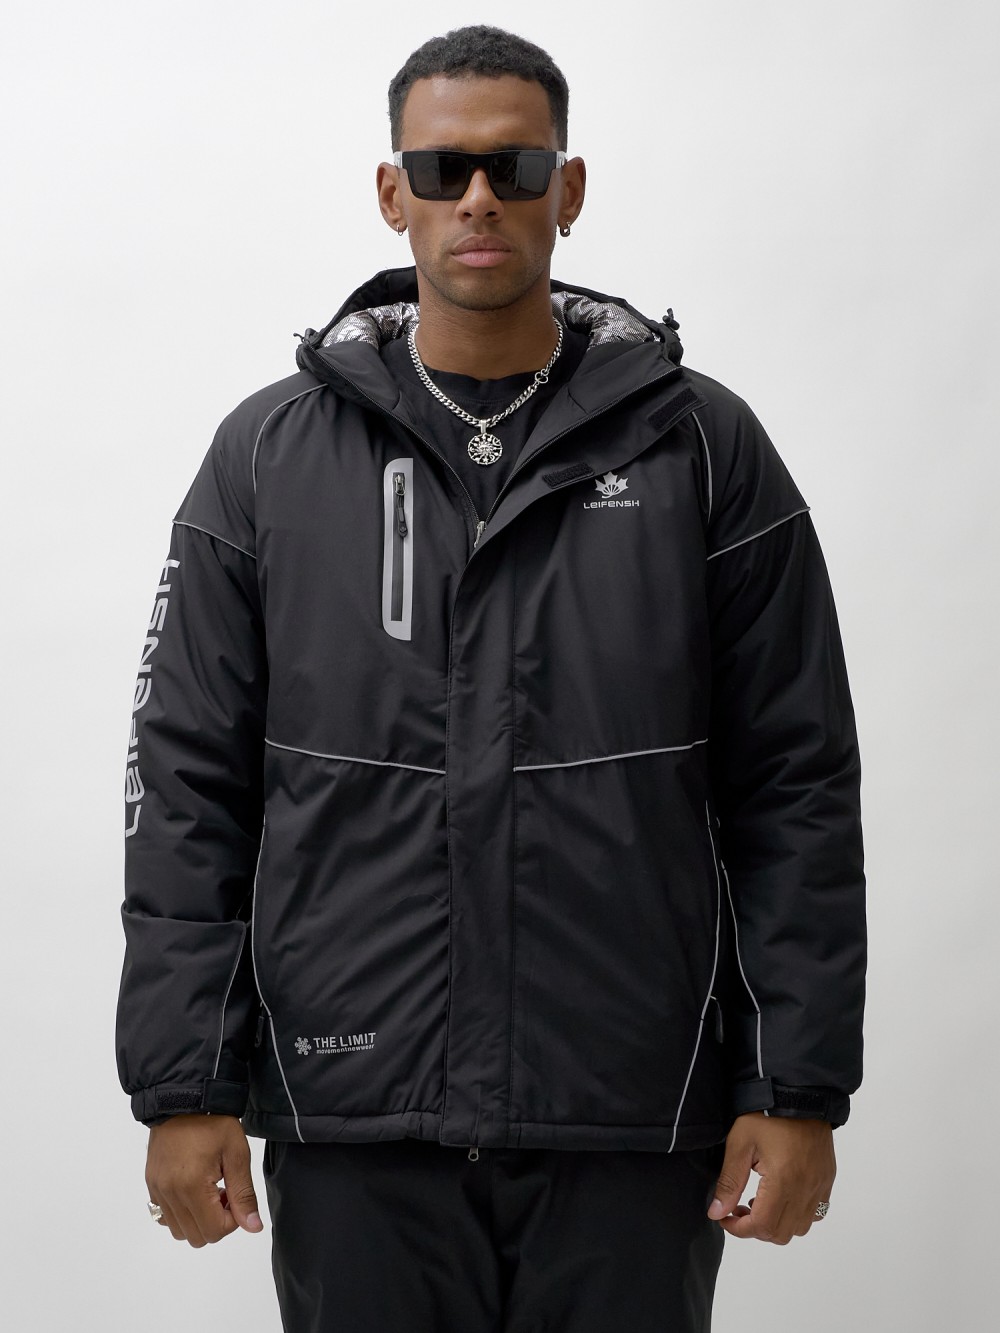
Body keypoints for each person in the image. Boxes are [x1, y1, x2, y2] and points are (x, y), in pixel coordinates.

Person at [116, 24, 866, 1332]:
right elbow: (186, 788)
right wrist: (187, 1086)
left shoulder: (702, 447)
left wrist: (795, 1085)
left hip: (628, 1107)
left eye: (515, 167)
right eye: (443, 167)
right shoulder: (268, 456)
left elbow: (795, 784)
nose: (479, 198)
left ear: (567, 190)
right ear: (391, 191)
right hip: (357, 1109)